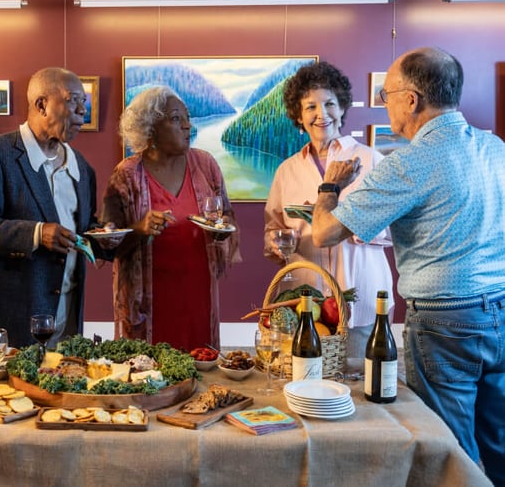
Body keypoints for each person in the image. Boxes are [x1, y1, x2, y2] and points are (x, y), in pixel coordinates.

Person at [312, 47, 505, 484]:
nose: (386, 103)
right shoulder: (495, 148)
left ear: (412, 99)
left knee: (449, 450)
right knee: (498, 442)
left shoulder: (409, 164)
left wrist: (330, 185)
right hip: (500, 311)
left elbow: (323, 232)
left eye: (387, 94)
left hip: (445, 325)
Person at [0, 67, 116, 348]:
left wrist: (102, 235)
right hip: (14, 319)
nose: (83, 110)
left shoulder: (82, 166)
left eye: (84, 102)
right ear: (41, 105)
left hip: (67, 318)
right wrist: (36, 233)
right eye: (72, 100)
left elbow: (81, 229)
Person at [264, 62, 393, 371]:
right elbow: (274, 226)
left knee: (358, 377)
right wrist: (275, 243)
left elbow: (387, 228)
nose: (322, 114)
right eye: (311, 106)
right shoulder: (287, 169)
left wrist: (340, 225)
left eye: (330, 104)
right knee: (304, 373)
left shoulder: (369, 159)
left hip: (358, 291)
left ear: (342, 107)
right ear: (298, 115)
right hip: (304, 295)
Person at [100, 86, 241, 351]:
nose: (187, 126)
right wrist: (140, 229)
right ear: (150, 128)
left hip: (198, 292)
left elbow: (227, 214)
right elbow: (107, 242)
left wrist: (223, 231)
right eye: (176, 119)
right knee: (147, 374)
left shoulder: (206, 164)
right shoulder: (126, 175)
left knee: (200, 366)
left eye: (187, 118)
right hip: (146, 298)